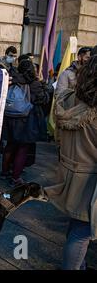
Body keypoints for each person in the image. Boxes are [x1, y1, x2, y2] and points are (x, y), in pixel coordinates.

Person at [45, 56, 97, 270]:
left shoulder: (68, 99)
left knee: (76, 227)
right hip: (90, 184)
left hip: (69, 172)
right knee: (81, 233)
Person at [1, 57, 50, 185]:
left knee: (10, 145)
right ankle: (16, 177)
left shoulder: (12, 79)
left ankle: (4, 172)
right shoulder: (34, 83)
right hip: (26, 119)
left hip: (10, 117)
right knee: (23, 148)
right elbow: (43, 99)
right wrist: (44, 87)